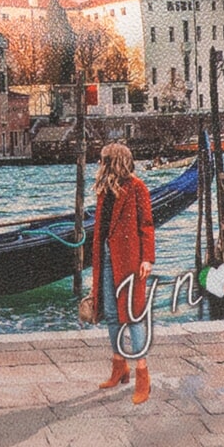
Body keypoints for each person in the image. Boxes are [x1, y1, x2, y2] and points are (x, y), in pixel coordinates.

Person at [91, 141, 156, 404]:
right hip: (106, 256)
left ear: (114, 162)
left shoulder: (137, 187)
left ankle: (142, 374)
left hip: (130, 259)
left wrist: (147, 259)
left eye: (104, 160)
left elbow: (147, 225)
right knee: (110, 313)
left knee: (133, 315)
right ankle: (119, 367)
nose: (100, 164)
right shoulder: (104, 190)